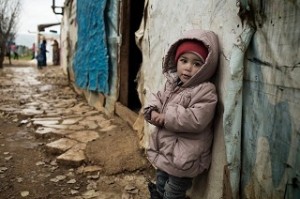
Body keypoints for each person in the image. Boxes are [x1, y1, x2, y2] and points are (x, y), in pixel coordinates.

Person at [144, 29, 219, 199]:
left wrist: (166, 117)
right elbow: (156, 97)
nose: (188, 68)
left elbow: (196, 119)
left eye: (197, 63)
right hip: (166, 150)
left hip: (185, 156)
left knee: (173, 193)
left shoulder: (206, 91)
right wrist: (153, 110)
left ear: (206, 68)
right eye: (184, 60)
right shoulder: (171, 84)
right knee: (161, 184)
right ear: (176, 61)